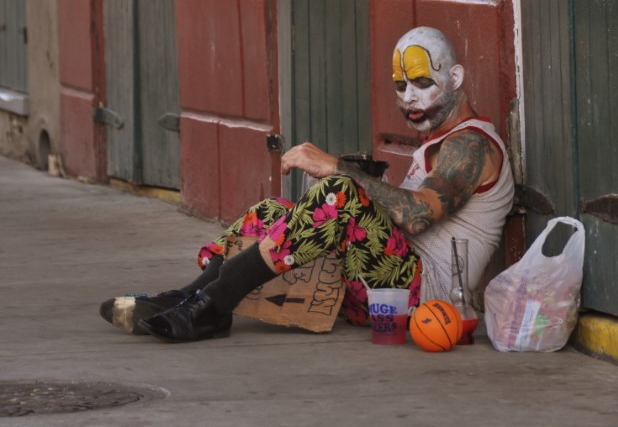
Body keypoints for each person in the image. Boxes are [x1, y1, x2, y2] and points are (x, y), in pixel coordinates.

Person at [100, 26, 515, 342]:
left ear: (455, 78)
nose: (409, 97)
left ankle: (213, 302)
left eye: (423, 83)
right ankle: (191, 296)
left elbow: (420, 215)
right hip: (380, 285)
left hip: (421, 300)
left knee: (340, 193)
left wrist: (338, 168)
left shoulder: (472, 145)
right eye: (400, 85)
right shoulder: (441, 140)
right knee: (272, 211)